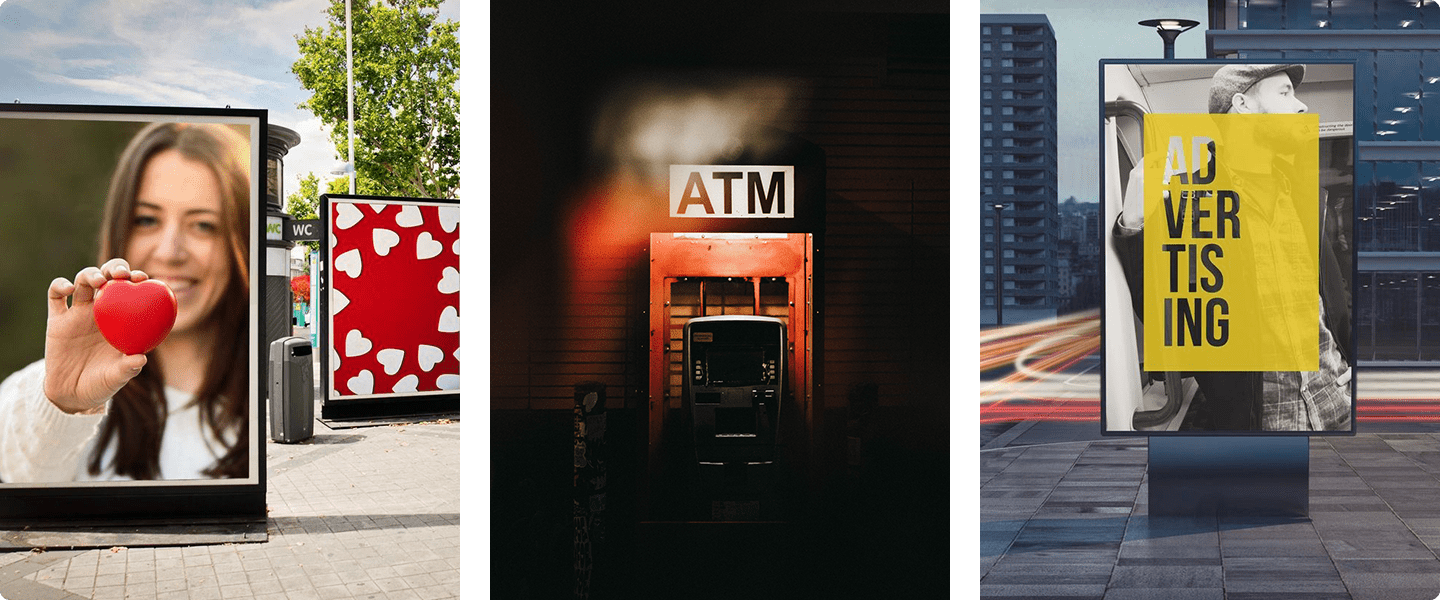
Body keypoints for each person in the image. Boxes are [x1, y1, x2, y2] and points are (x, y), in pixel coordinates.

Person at [0, 122, 251, 481]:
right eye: (147, 220)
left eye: (203, 225)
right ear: (119, 228)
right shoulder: (41, 393)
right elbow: (19, 471)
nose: (170, 252)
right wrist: (62, 404)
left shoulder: (263, 401)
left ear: (238, 241)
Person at [1113, 64, 1352, 431]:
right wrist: (1133, 223)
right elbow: (1167, 311)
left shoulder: (1308, 198)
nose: (1301, 107)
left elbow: (1333, 304)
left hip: (1337, 399)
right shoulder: (1191, 203)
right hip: (1262, 416)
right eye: (1285, 93)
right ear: (1242, 104)